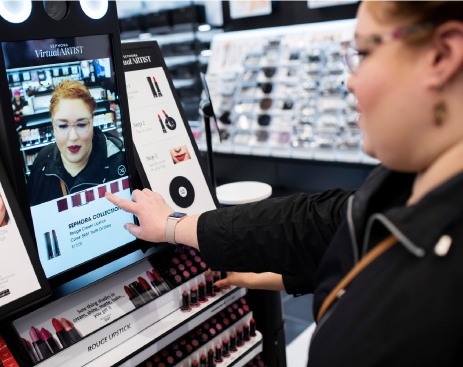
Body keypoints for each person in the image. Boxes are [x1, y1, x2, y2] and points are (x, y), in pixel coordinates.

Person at [107, 2, 463, 365]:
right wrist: (179, 228)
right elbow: (320, 221)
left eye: (365, 53)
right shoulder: (405, 186)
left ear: (441, 55)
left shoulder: (439, 284)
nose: (350, 79)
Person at [27, 80, 126, 206]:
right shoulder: (42, 161)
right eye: (63, 126)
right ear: (53, 126)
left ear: (92, 121)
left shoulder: (119, 164)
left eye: (82, 124)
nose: (73, 137)